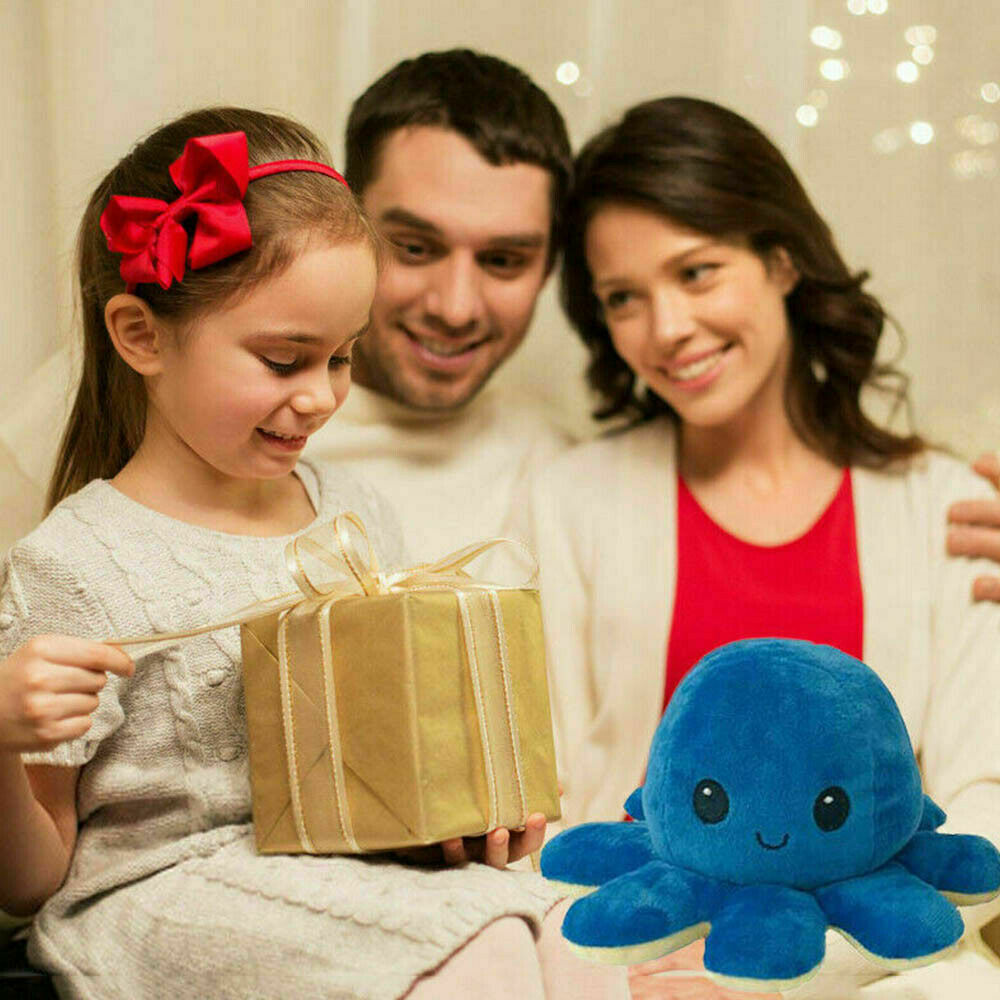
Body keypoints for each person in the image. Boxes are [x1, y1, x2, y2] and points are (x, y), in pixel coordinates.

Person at [0, 105, 627, 1000]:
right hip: (162, 899)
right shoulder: (76, 565)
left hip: (335, 876)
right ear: (140, 334)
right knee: (483, 954)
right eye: (284, 359)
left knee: (566, 937)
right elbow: (32, 884)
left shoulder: (351, 516)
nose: (323, 397)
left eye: (340, 358)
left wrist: (455, 826)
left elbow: (379, 783)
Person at [530, 97, 1000, 997]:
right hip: (632, 969)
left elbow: (985, 805)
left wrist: (783, 976)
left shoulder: (946, 509)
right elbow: (540, 800)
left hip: (880, 973)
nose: (666, 328)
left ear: (782, 260)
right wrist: (636, 966)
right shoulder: (572, 500)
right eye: (623, 298)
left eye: (697, 272)